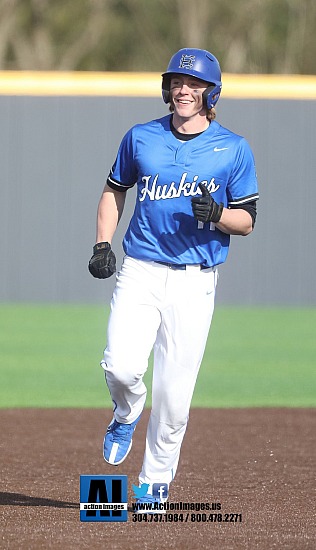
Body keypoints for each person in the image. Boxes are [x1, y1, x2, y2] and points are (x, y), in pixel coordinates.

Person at [88, 48, 259, 508]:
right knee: (121, 366)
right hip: (141, 269)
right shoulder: (141, 137)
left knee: (175, 395)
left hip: (195, 280)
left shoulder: (234, 147)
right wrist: (103, 243)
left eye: (194, 84)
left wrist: (220, 214)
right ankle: (125, 412)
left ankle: (154, 485)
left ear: (211, 91)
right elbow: (113, 190)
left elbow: (247, 219)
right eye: (178, 82)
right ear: (167, 88)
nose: (184, 90)